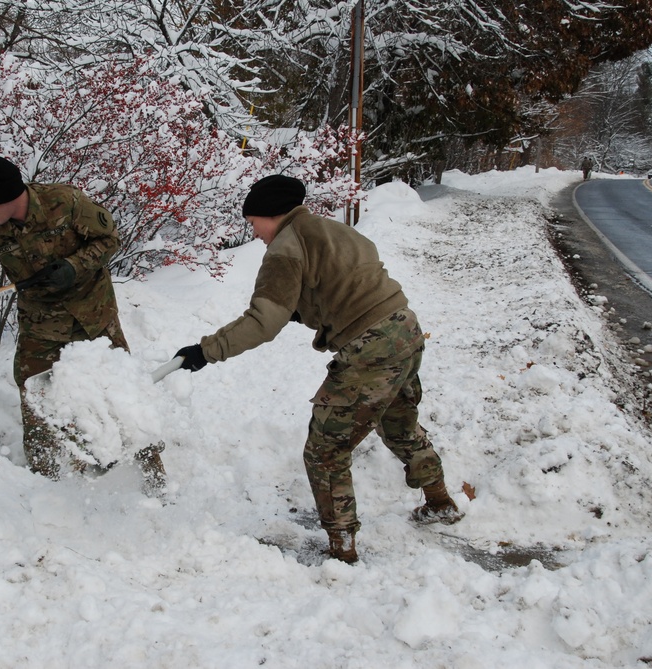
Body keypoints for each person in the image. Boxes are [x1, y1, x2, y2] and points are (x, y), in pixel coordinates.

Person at [171, 174, 462, 564]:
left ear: (271, 214)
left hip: (369, 349)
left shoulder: (285, 249)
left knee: (325, 451)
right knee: (400, 425)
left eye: (253, 221)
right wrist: (305, 308)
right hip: (404, 330)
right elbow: (344, 280)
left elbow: (263, 322)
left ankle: (342, 553)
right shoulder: (331, 229)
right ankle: (441, 503)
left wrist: (206, 351)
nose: (254, 231)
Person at [0, 154, 165, 492]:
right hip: (41, 326)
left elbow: (109, 239)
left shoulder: (65, 202)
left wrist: (73, 266)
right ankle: (45, 485)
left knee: (125, 396)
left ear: (11, 194)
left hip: (93, 318)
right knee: (35, 399)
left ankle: (153, 475)